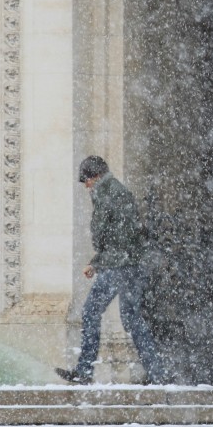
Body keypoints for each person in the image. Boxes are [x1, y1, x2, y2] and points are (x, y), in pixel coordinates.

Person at [55, 156, 166, 385]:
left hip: (119, 267)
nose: (85, 186)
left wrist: (98, 263)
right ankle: (157, 374)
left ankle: (85, 371)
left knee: (91, 312)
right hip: (129, 264)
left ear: (95, 176)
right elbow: (122, 237)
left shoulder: (108, 193)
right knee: (133, 319)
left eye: (86, 180)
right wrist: (97, 262)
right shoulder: (115, 192)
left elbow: (114, 238)